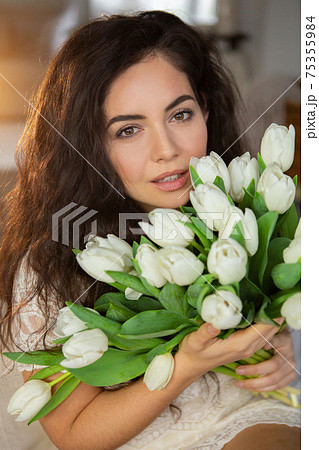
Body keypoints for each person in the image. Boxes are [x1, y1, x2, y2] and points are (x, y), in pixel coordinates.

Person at [0, 11, 300, 450]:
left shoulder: (245, 208)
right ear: (91, 146)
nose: (168, 151)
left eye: (180, 115)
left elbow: (270, 320)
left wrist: (283, 350)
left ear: (206, 113)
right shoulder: (54, 262)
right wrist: (186, 365)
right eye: (129, 129)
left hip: (247, 413)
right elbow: (75, 437)